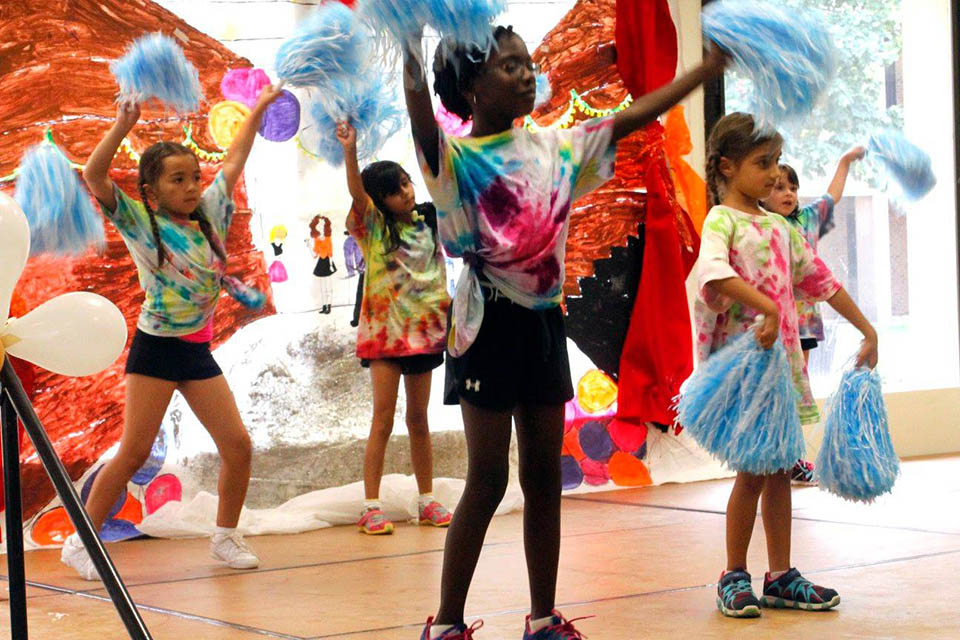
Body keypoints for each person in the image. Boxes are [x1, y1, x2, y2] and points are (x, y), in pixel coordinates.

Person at [403, 23, 727, 639]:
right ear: (470, 88)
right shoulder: (454, 161)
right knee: (488, 479)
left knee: (543, 477)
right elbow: (420, 112)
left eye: (527, 63)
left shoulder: (557, 149)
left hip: (544, 325)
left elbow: (630, 118)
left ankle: (544, 618)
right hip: (487, 326)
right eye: (508, 66)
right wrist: (405, 41)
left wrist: (702, 73)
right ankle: (445, 624)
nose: (526, 74)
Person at [62, 85, 283, 580]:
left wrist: (259, 108)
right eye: (177, 180)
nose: (190, 187)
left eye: (194, 177)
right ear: (152, 189)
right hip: (157, 352)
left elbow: (236, 156)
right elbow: (94, 176)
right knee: (133, 452)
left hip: (196, 353)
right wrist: (122, 125)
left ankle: (225, 536)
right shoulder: (142, 223)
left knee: (238, 445)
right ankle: (81, 541)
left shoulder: (211, 212)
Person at [698, 112, 878, 618]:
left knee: (779, 469)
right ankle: (733, 574)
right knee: (753, 471)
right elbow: (712, 275)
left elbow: (822, 280)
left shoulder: (780, 226)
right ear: (728, 167)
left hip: (782, 371)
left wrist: (868, 330)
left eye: (777, 161)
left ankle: (780, 576)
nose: (776, 173)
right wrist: (769, 308)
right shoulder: (722, 221)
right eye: (763, 163)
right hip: (746, 374)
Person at [337, 121, 453, 536]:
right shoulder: (373, 227)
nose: (406, 192)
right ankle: (371, 506)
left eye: (406, 183)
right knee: (382, 419)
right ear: (379, 200)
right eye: (394, 189)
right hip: (385, 339)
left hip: (424, 337)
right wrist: (350, 150)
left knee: (419, 419)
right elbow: (358, 193)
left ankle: (427, 499)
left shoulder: (430, 221)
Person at [761, 147, 866, 484]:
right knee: (776, 392)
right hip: (774, 325)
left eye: (793, 188)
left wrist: (844, 162)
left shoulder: (805, 220)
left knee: (797, 388)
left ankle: (792, 458)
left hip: (803, 323)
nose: (788, 194)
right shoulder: (762, 224)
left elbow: (832, 197)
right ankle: (772, 457)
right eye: (779, 187)